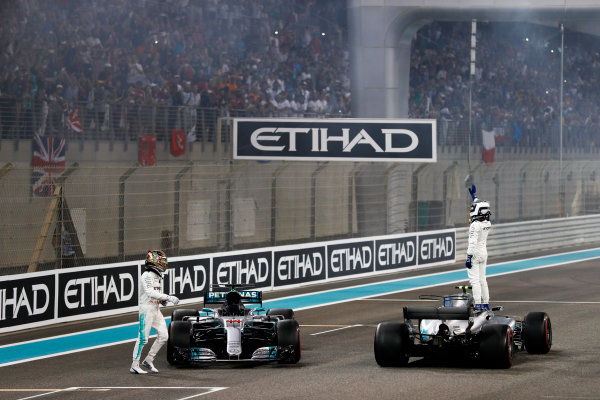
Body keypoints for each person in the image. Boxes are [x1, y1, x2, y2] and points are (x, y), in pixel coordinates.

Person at [130, 250, 179, 374]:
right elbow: (150, 292)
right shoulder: (147, 275)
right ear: (154, 262)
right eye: (161, 262)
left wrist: (162, 301)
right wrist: (168, 297)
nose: (164, 264)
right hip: (146, 310)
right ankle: (134, 365)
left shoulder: (157, 276)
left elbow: (156, 294)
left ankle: (148, 360)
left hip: (156, 309)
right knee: (143, 339)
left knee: (164, 336)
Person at [465, 185, 492, 311]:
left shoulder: (475, 226)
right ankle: (486, 303)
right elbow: (482, 207)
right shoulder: (487, 223)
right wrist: (474, 197)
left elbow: (472, 242)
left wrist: (469, 257)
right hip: (484, 253)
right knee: (483, 280)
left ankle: (477, 304)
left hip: (475, 253)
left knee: (474, 281)